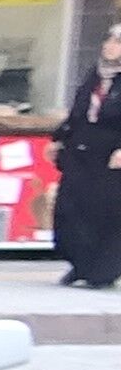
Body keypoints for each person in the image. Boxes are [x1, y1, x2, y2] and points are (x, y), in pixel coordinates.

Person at [50, 22, 121, 288]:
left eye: (117, 42)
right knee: (71, 210)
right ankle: (79, 264)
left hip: (111, 158)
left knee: (105, 214)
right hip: (82, 152)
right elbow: (78, 111)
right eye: (109, 40)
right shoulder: (96, 75)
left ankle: (101, 272)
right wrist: (59, 138)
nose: (110, 46)